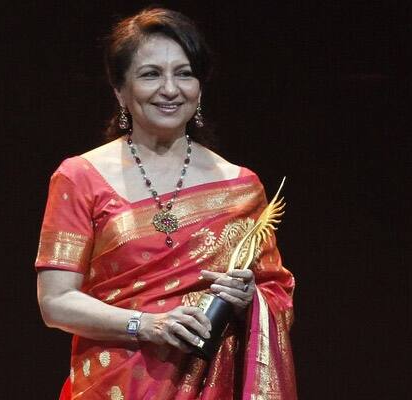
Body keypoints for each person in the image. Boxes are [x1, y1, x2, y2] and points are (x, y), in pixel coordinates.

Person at [35, 7, 296, 400]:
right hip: (114, 386)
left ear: (200, 87)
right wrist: (147, 324)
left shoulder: (241, 188)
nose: (170, 89)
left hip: (210, 385)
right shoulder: (80, 177)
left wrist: (248, 301)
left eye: (185, 73)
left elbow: (274, 293)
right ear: (120, 90)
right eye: (150, 74)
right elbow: (56, 303)